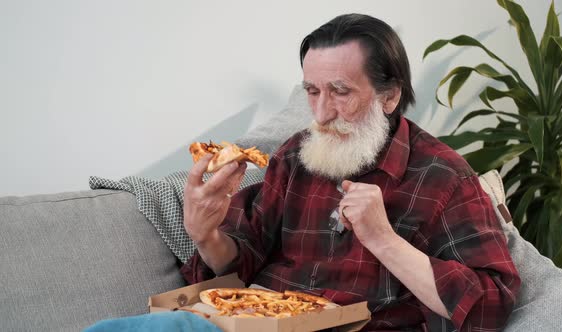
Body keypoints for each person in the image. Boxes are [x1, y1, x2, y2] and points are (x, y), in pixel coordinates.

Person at [181, 13, 520, 331]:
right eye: (313, 91)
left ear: (389, 97)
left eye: (340, 92)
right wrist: (206, 236)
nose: (322, 113)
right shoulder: (294, 156)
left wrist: (383, 240)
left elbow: (490, 306)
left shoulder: (444, 177)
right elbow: (241, 261)